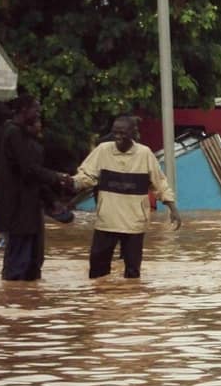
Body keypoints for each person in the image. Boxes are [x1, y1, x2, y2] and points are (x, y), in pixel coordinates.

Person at [71, 115, 182, 279]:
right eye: (115, 132)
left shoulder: (145, 154)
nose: (118, 137)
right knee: (97, 272)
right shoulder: (103, 150)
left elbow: (160, 184)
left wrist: (173, 208)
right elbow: (86, 175)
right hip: (107, 221)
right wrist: (70, 182)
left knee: (132, 274)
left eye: (122, 133)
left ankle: (131, 296)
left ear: (133, 133)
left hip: (134, 224)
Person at [0, 95, 74, 280]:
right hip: (17, 208)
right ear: (24, 110)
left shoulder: (24, 137)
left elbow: (33, 175)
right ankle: (14, 295)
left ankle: (24, 295)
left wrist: (52, 200)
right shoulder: (13, 133)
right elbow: (29, 169)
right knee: (18, 264)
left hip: (29, 207)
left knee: (33, 261)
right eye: (36, 110)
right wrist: (57, 177)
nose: (39, 114)